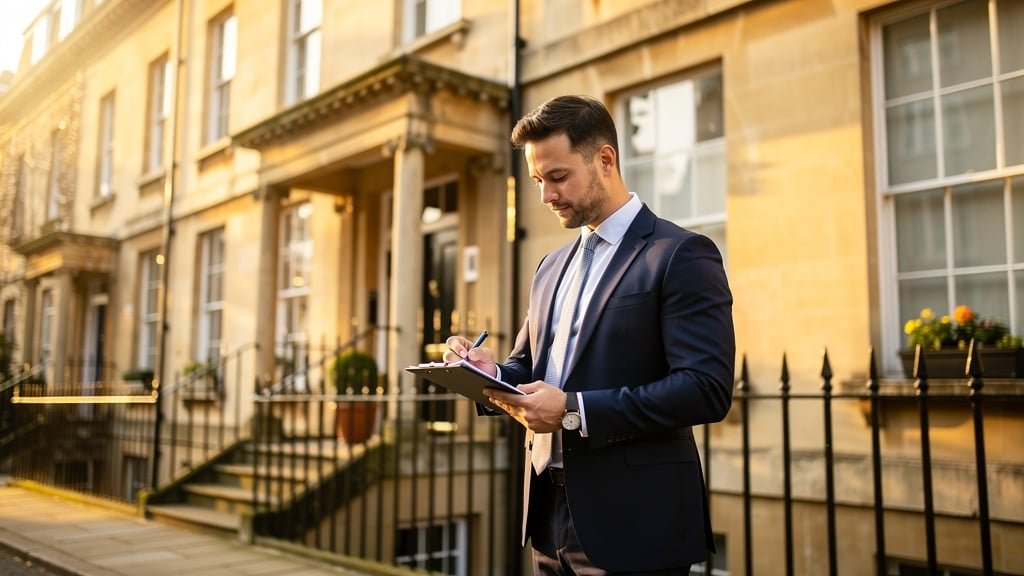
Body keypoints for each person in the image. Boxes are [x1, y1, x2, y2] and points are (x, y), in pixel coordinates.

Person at [444, 95, 735, 575]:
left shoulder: (680, 254)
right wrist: (488, 371)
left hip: (635, 525)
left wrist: (574, 409)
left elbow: (706, 389)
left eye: (558, 177)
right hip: (546, 516)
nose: (546, 196)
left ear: (605, 159)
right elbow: (529, 368)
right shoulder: (550, 266)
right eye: (538, 181)